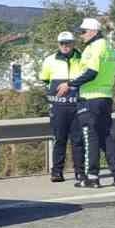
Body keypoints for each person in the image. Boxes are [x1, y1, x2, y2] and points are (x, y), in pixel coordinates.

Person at [58, 18, 115, 188]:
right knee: (107, 137)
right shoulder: (109, 47)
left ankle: (92, 177)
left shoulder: (93, 48)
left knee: (90, 138)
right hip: (106, 97)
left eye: (83, 32)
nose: (81, 36)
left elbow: (91, 72)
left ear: (93, 32)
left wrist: (70, 84)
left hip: (90, 99)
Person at [39, 31, 85, 183]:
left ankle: (80, 172)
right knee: (60, 140)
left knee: (78, 141)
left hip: (77, 105)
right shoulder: (49, 60)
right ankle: (57, 172)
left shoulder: (83, 58)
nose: (65, 46)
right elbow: (45, 80)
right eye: (62, 43)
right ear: (58, 44)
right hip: (58, 106)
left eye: (68, 43)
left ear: (73, 43)